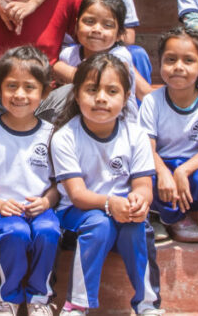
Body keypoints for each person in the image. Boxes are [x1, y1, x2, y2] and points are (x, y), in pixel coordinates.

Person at [50, 53, 162, 316]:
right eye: (91, 90)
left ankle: (148, 304)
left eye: (112, 91)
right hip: (77, 215)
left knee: (138, 227)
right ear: (77, 96)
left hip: (123, 211)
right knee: (99, 224)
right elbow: (76, 195)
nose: (101, 98)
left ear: (125, 98)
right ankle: (76, 305)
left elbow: (144, 184)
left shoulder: (136, 135)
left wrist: (140, 200)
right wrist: (111, 204)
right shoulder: (65, 136)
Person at [0, 46, 59, 316]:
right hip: (0, 211)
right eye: (11, 86)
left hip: (39, 210)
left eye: (29, 88)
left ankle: (39, 298)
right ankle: (6, 297)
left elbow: (59, 183)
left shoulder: (51, 134)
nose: (19, 95)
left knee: (48, 232)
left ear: (45, 92)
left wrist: (46, 201)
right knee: (16, 233)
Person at [140, 27, 198, 242]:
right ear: (160, 63)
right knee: (144, 180)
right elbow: (147, 147)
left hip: (195, 168)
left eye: (188, 61)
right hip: (163, 166)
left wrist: (183, 170)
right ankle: (173, 218)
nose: (178, 67)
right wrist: (164, 172)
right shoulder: (152, 101)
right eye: (170, 60)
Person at [39, 0, 151, 121]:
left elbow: (97, 81)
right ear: (76, 26)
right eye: (89, 21)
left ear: (120, 33)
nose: (97, 29)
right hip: (79, 122)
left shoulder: (120, 56)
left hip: (119, 123)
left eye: (107, 25)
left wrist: (60, 68)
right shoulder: (68, 55)